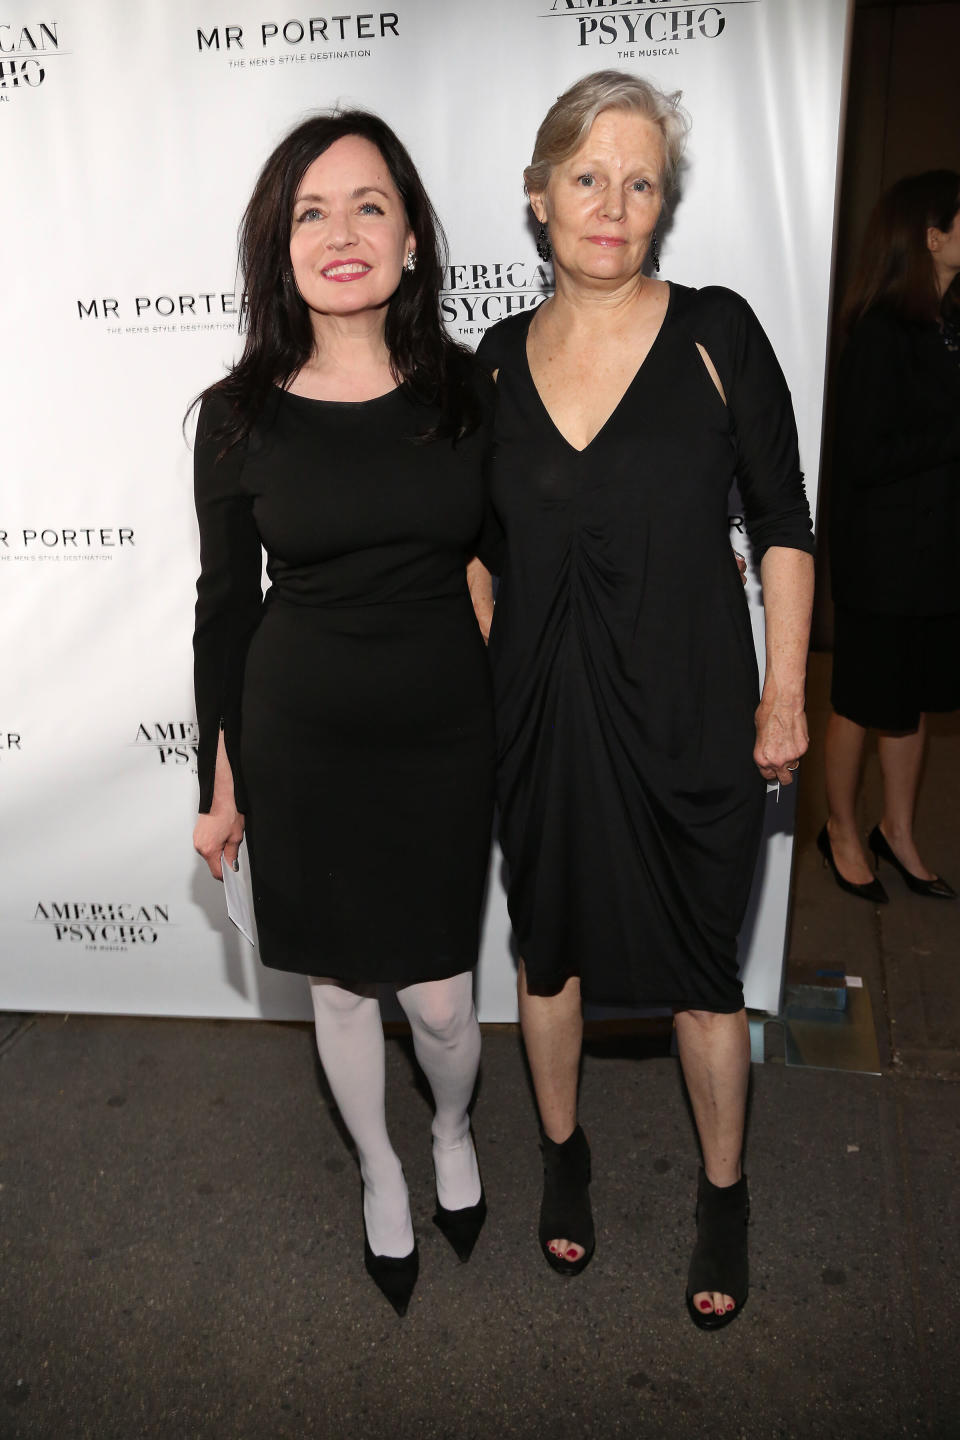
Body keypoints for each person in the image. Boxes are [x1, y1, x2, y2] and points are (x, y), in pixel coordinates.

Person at [473, 71, 815, 1329]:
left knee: (704, 976)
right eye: (586, 177)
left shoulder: (720, 335)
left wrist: (784, 694)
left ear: (663, 205)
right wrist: (489, 648)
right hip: (543, 725)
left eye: (639, 182)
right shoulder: (493, 367)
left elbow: (783, 521)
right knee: (547, 950)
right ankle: (564, 1157)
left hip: (692, 717)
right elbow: (465, 538)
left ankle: (723, 1192)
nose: (610, 205)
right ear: (539, 193)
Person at [191, 110, 497, 1317]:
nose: (342, 232)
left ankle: (455, 1129)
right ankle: (379, 1165)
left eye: (370, 204)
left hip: (441, 735)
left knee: (439, 996)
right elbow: (223, 611)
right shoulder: (237, 414)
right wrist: (219, 782)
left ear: (413, 238)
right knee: (333, 989)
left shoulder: (473, 391)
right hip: (298, 738)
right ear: (281, 250)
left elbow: (515, 563)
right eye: (310, 212)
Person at [820, 172, 960, 903]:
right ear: (932, 235)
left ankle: (897, 833)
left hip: (938, 556)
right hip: (884, 558)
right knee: (863, 701)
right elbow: (867, 456)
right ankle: (840, 831)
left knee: (916, 703)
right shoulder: (880, 331)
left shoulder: (951, 322)